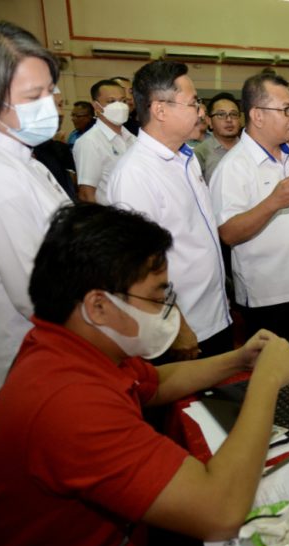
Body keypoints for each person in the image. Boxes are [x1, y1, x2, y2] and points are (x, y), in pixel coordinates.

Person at [0, 202, 289, 546]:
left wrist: (239, 361)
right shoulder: (68, 402)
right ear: (98, 306)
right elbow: (219, 512)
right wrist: (267, 382)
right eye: (156, 296)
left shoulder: (71, 345)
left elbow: (153, 384)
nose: (165, 309)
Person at [106, 60, 232, 360]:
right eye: (194, 103)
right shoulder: (135, 174)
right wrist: (175, 325)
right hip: (181, 331)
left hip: (214, 315)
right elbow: (137, 268)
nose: (201, 111)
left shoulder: (184, 159)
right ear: (160, 110)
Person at [0, 21, 71, 417]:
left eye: (50, 90)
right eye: (32, 95)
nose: (50, 103)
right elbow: (37, 297)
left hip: (49, 362)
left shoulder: (25, 157)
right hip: (20, 371)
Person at [210, 73, 289, 345]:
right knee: (274, 375)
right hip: (270, 298)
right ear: (258, 116)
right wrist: (273, 203)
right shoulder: (234, 167)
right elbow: (227, 233)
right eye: (286, 109)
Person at [73, 79, 137, 203]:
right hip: (110, 218)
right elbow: (86, 194)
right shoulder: (90, 142)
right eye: (111, 101)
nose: (119, 106)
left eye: (123, 101)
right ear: (96, 106)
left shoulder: (133, 139)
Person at [195, 92, 241, 182]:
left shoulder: (250, 150)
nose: (229, 120)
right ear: (209, 121)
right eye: (221, 114)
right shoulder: (200, 153)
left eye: (233, 114)